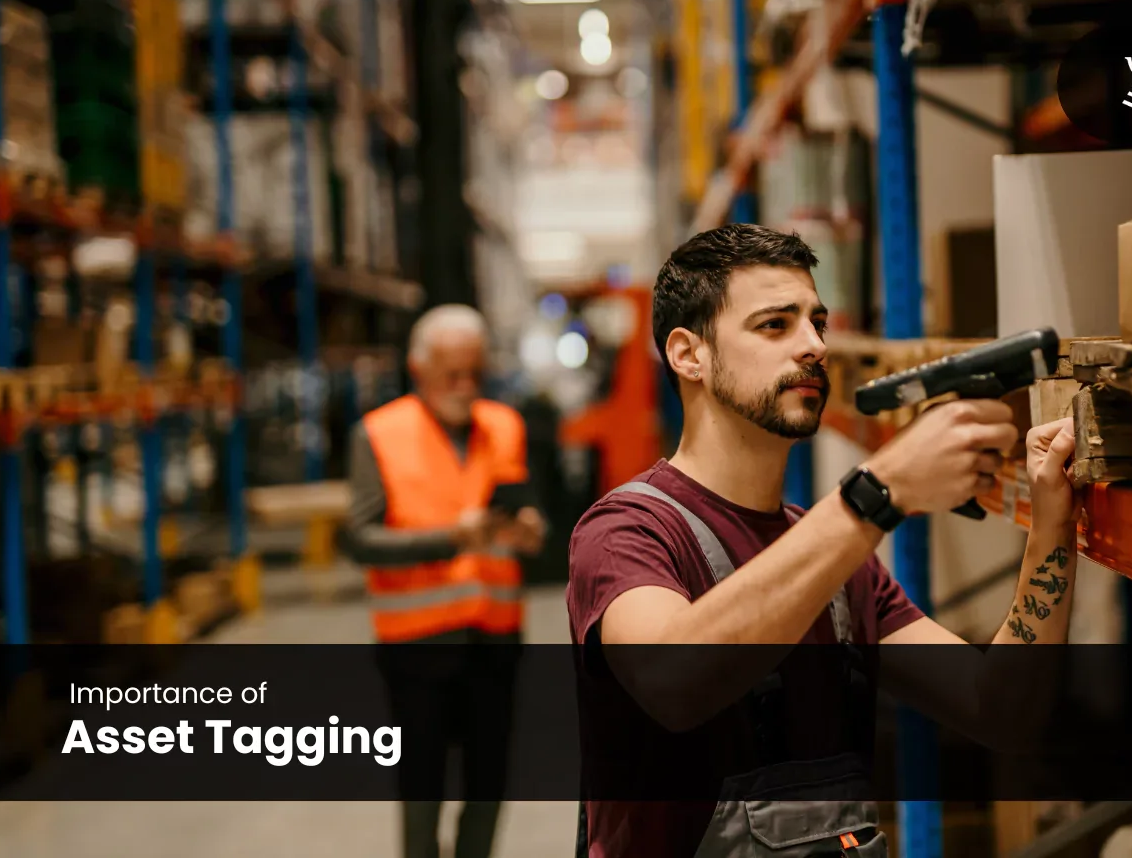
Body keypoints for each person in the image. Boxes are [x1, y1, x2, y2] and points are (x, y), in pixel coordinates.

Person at [567, 224, 1084, 858]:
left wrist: (1052, 522)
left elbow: (1001, 709)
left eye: (817, 322)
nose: (813, 346)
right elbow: (675, 682)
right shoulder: (628, 533)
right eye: (774, 325)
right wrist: (880, 490)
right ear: (688, 354)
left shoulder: (842, 566)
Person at [344, 304, 546, 858]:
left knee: (489, 785)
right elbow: (360, 540)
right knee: (421, 790)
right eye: (451, 374)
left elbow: (520, 503)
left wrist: (528, 530)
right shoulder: (378, 434)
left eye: (474, 374)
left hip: (495, 641)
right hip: (417, 647)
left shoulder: (503, 425)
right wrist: (452, 539)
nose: (465, 386)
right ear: (418, 368)